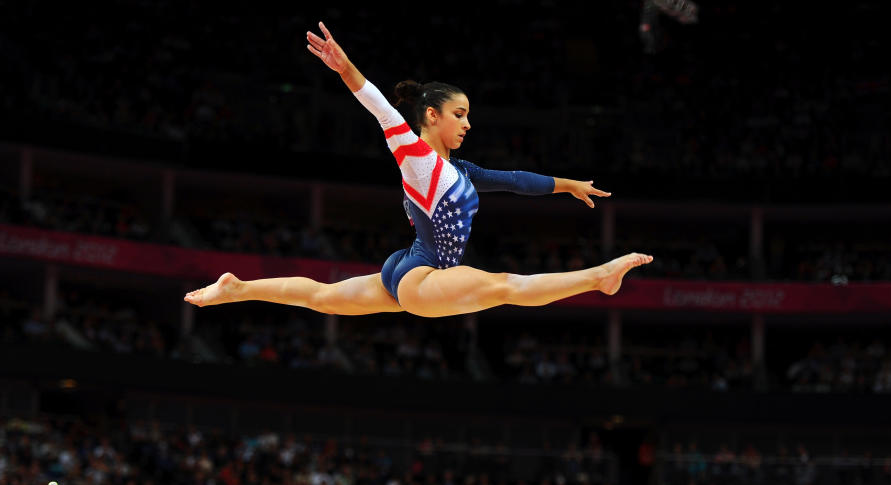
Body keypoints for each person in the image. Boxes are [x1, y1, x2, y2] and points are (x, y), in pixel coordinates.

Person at [183, 22, 653, 318]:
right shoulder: (417, 158)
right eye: (460, 114)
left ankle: (239, 288)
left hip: (405, 269)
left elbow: (514, 182)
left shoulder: (460, 170)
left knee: (322, 298)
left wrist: (567, 184)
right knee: (506, 287)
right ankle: (600, 276)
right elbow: (384, 111)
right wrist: (347, 71)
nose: (468, 123)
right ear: (432, 116)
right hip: (423, 277)